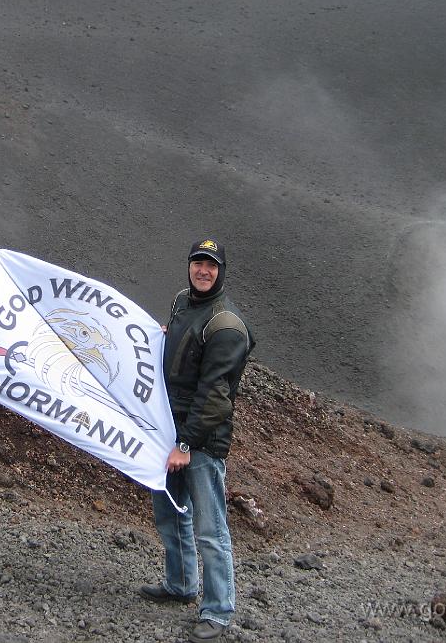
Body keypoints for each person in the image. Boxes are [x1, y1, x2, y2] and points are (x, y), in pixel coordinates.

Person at [140, 239, 255, 641]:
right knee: (170, 513)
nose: (202, 271)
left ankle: (219, 611)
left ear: (221, 270)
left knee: (210, 529)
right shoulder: (181, 302)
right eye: (197, 263)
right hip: (167, 429)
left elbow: (215, 396)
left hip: (201, 441)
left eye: (210, 265)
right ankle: (181, 584)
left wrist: (186, 445)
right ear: (189, 266)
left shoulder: (227, 326)